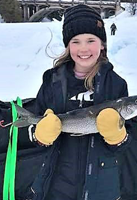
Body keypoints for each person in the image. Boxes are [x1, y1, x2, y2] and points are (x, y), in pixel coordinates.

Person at [30, 4, 130, 200]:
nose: (83, 48)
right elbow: (34, 131)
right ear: (68, 45)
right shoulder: (52, 80)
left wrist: (118, 136)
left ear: (102, 44)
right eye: (76, 41)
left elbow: (128, 142)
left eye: (91, 40)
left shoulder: (116, 84)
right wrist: (40, 135)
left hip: (101, 188)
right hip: (55, 185)